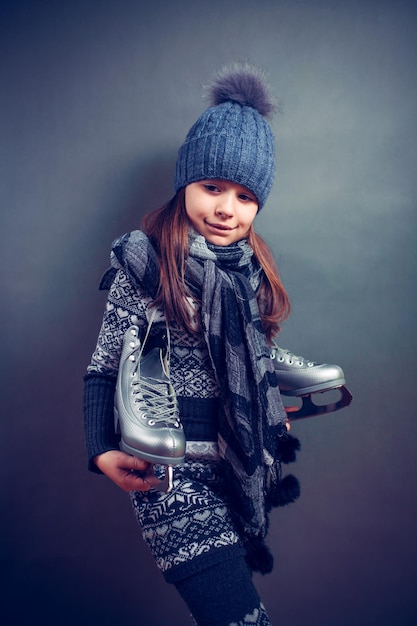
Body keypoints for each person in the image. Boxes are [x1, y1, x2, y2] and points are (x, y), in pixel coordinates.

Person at [83, 63, 302, 626]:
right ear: (186, 182)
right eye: (212, 187)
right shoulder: (145, 265)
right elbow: (105, 366)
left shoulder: (249, 272)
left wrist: (268, 404)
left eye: (245, 196)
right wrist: (100, 448)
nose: (227, 208)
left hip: (232, 470)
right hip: (168, 474)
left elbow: (243, 366)